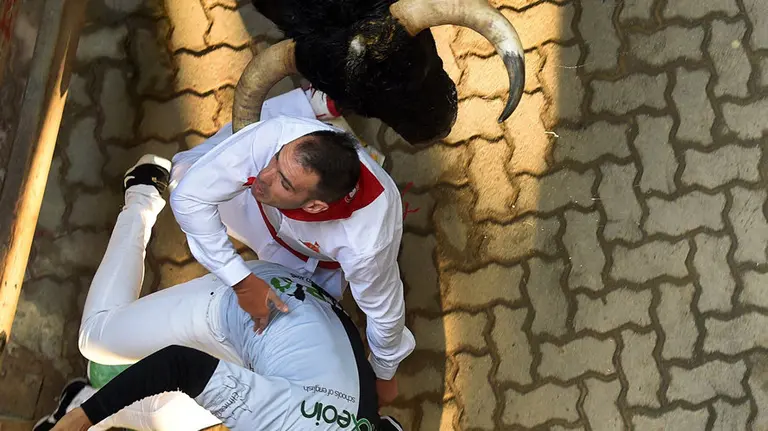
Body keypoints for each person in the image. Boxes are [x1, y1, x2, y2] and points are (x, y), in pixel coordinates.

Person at [33, 155, 405, 431]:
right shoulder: (281, 421)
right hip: (261, 304)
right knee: (96, 338)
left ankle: (77, 402)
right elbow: (179, 365)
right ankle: (143, 196)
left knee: (163, 419)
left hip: (304, 341)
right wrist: (87, 418)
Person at [168, 88, 414, 400]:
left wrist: (383, 371)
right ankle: (311, 105)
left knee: (291, 321)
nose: (264, 175)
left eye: (283, 181)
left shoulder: (368, 240)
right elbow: (188, 198)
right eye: (275, 160)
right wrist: (241, 281)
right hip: (257, 209)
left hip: (312, 259)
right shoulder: (277, 137)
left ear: (315, 207)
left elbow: (384, 311)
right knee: (182, 175)